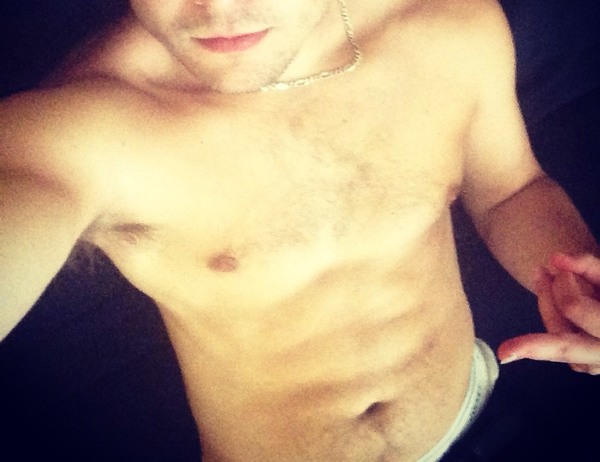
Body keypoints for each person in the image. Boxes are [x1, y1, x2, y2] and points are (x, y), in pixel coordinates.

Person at [1, 0, 598, 460]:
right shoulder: (76, 127)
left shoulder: (447, 26)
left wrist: (584, 285)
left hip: (480, 406)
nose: (219, 8)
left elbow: (512, 191)